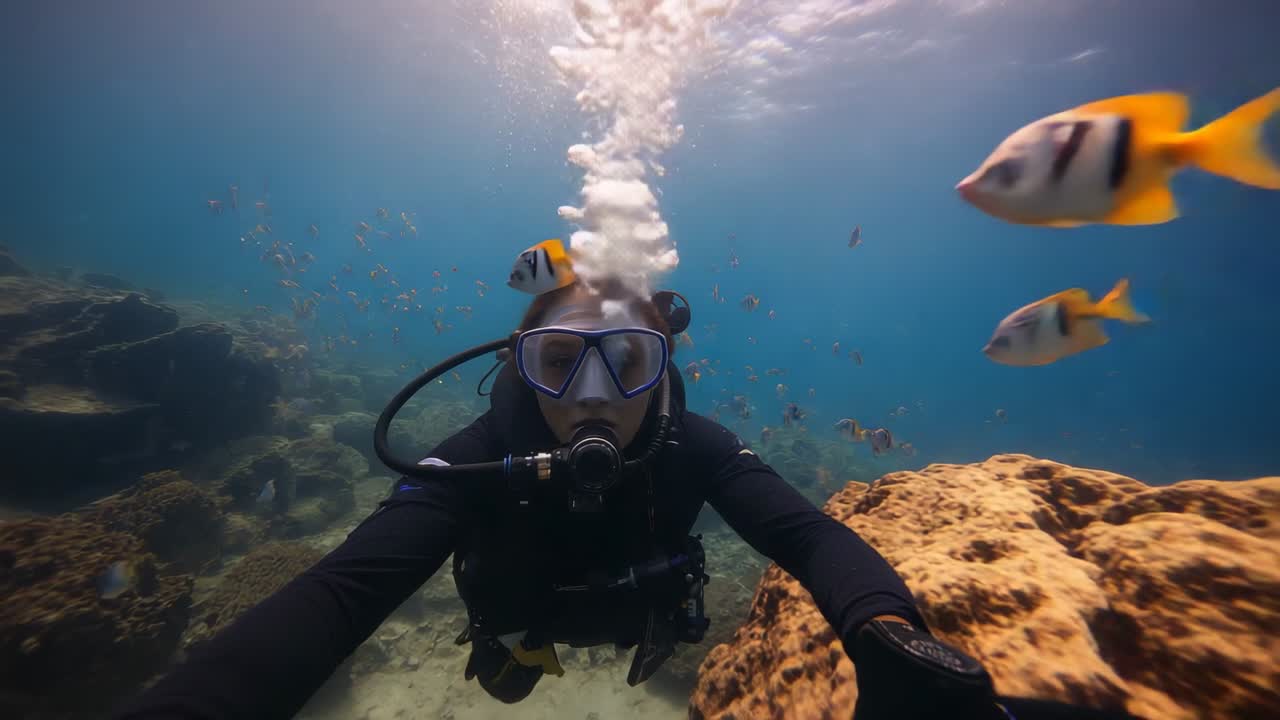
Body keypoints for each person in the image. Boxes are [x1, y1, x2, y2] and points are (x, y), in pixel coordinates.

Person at [110, 275, 1066, 720]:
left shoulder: (695, 445)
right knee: (512, 676)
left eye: (630, 361)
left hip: (640, 616)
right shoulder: (479, 455)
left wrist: (885, 633)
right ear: (523, 370)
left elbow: (807, 536)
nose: (597, 395)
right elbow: (340, 593)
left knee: (649, 643)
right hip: (520, 626)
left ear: (663, 370)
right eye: (561, 363)